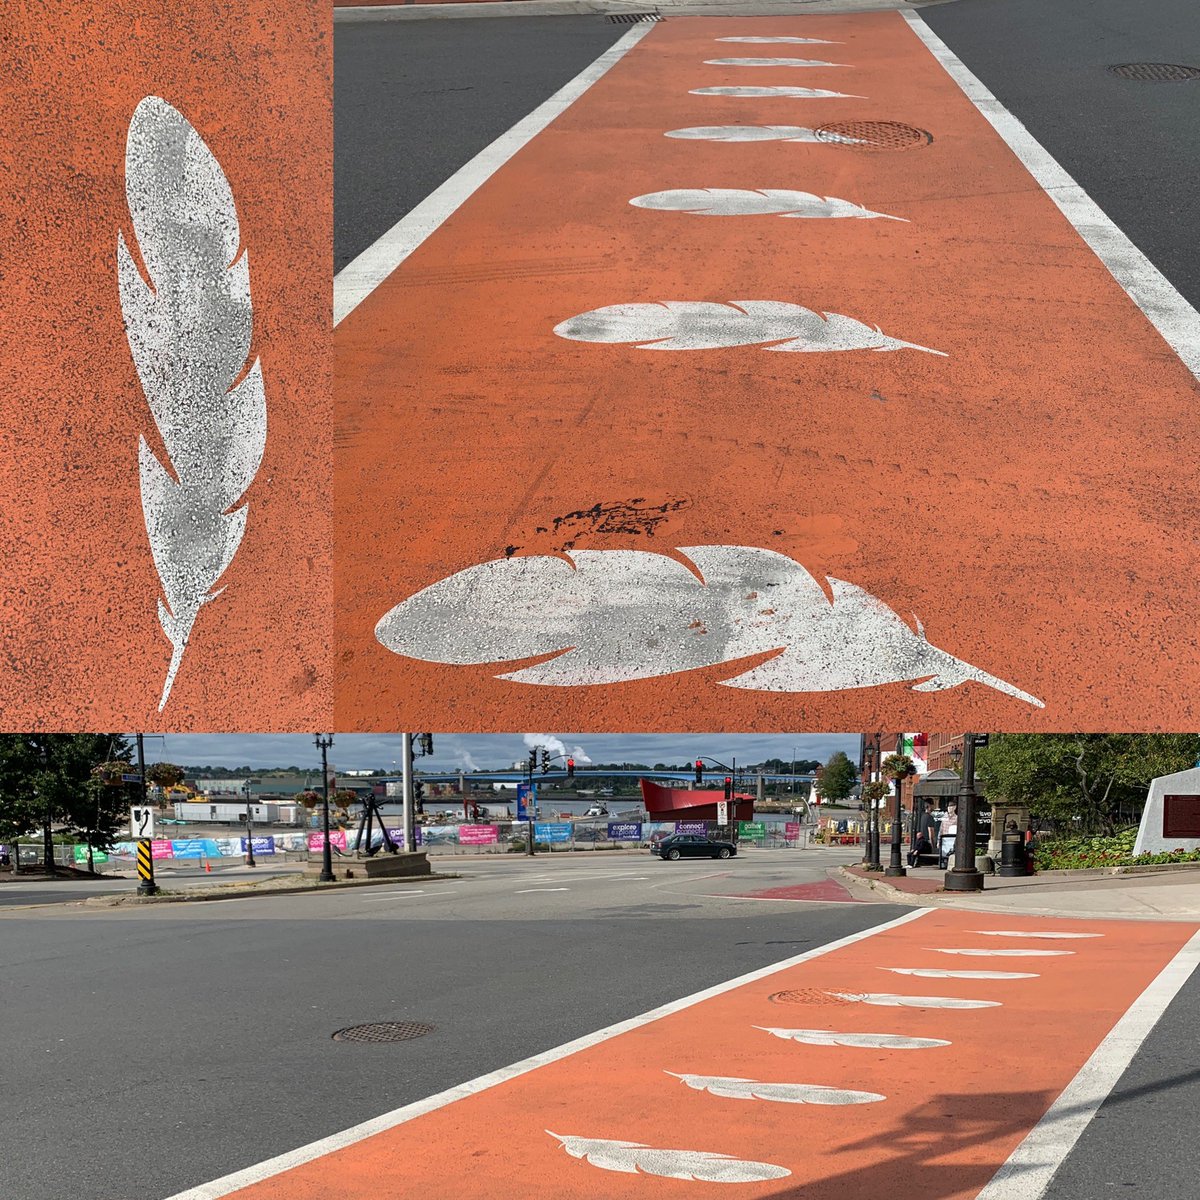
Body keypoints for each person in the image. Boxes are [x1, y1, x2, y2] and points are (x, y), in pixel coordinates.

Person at [908, 799, 938, 867]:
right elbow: (931, 833)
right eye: (933, 806)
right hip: (926, 844)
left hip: (920, 843)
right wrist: (933, 846)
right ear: (929, 806)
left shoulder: (921, 817)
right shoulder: (930, 818)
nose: (934, 807)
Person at [938, 802, 958, 869]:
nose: (949, 808)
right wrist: (938, 841)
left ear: (955, 807)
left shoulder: (957, 818)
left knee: (951, 853)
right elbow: (941, 829)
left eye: (951, 807)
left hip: (952, 840)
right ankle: (943, 864)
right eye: (948, 807)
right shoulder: (944, 817)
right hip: (944, 839)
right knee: (943, 854)